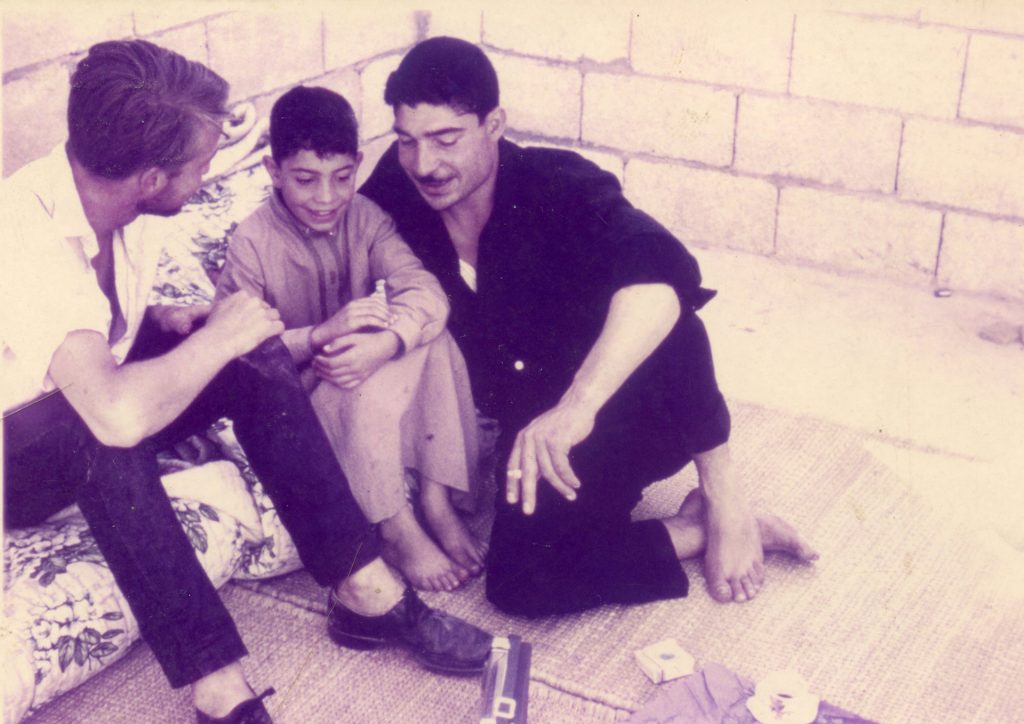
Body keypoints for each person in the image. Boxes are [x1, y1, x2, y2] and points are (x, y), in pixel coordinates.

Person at [1, 40, 490, 724]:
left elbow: (93, 334)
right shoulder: (26, 239)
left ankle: (365, 592)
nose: (205, 180)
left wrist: (174, 324)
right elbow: (109, 411)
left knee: (253, 350)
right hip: (11, 461)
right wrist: (217, 337)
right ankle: (217, 686)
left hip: (69, 386)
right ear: (149, 178)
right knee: (107, 435)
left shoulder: (115, 199)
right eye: (198, 169)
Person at [360, 37, 819, 618]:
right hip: (530, 423)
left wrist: (577, 407)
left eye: (446, 139)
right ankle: (692, 531)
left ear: (494, 124)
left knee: (655, 305)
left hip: (626, 403)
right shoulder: (397, 190)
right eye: (407, 141)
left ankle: (724, 493)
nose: (425, 164)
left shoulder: (559, 185)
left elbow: (662, 278)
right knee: (520, 582)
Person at [216, 86, 487, 593]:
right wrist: (321, 336)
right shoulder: (251, 243)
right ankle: (394, 526)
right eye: (305, 179)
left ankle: (434, 498)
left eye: (342, 178)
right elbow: (231, 351)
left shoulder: (366, 217)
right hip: (294, 399)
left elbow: (425, 290)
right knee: (351, 372)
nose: (326, 198)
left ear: (358, 165)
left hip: (361, 369)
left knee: (434, 336)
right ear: (273, 172)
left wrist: (386, 343)